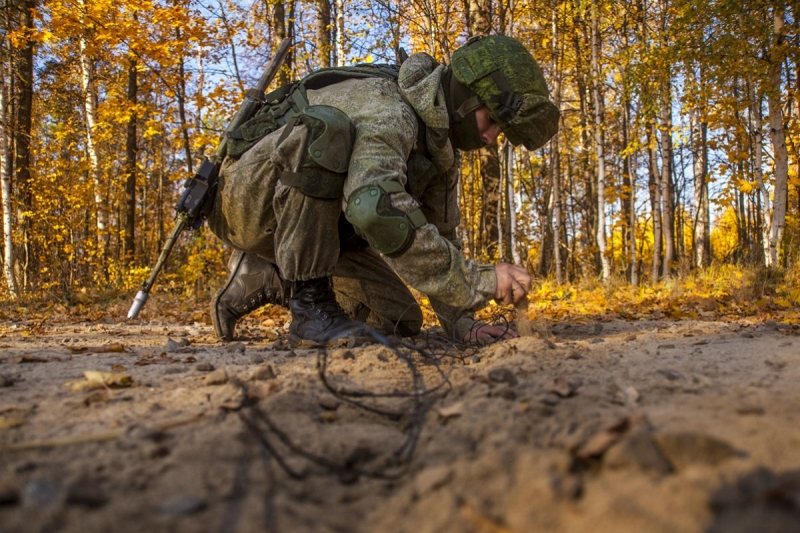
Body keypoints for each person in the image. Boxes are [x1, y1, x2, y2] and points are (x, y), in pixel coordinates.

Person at [206, 34, 560, 344]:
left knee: (398, 319)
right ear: (467, 98)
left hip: (312, 232)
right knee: (326, 134)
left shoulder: (440, 151)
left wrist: (462, 324)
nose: (489, 138)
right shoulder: (389, 111)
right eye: (492, 121)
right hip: (246, 203)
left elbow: (442, 236)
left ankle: (270, 274)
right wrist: (481, 281)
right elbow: (373, 209)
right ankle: (310, 305)